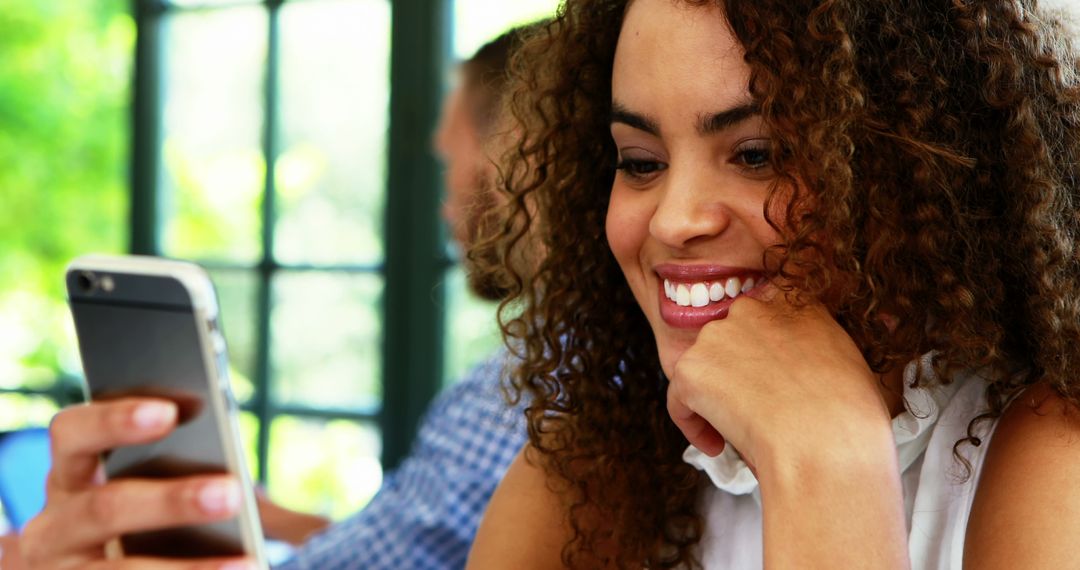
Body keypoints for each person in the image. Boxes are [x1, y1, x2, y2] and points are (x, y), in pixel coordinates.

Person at [465, 0, 1080, 568]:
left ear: (921, 170)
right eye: (641, 163)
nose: (675, 220)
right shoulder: (584, 478)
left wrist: (826, 461)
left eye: (757, 155)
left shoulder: (1056, 452)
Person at [13, 25, 532, 570]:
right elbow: (402, 538)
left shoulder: (528, 382)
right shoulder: (536, 373)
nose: (443, 204)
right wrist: (263, 516)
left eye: (449, 163)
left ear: (510, 157)